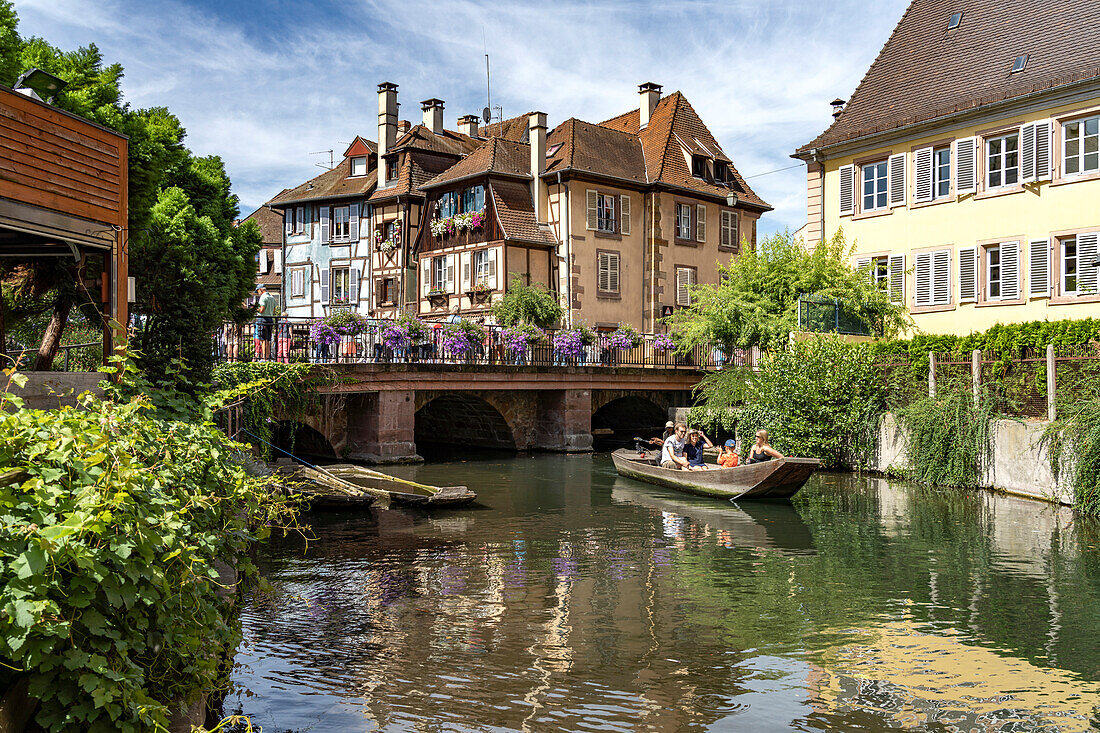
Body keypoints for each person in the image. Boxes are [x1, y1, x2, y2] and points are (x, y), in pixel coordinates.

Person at [254, 285, 278, 360]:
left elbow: (262, 310)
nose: (258, 293)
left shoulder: (263, 297)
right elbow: (274, 310)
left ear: (260, 290)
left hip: (262, 319)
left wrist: (255, 308)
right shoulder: (271, 297)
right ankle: (267, 357)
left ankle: (264, 358)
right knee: (268, 339)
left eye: (258, 291)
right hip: (270, 319)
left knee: (263, 339)